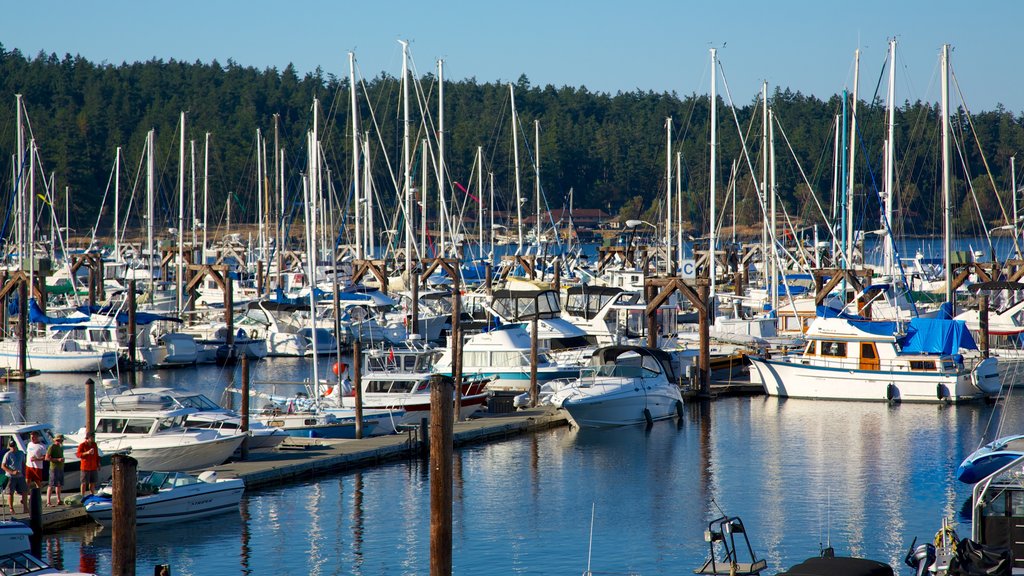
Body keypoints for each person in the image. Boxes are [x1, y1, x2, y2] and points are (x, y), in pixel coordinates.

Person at [1, 440, 28, 514]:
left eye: (14, 446)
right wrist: (12, 472)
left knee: (24, 491)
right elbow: (3, 466)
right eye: (11, 446)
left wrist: (24, 473)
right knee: (10, 492)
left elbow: (23, 463)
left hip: (20, 476)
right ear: (9, 446)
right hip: (11, 476)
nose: (13, 448)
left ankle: (25, 507)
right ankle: (11, 508)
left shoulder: (21, 453)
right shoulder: (8, 454)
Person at [45, 434, 65, 506]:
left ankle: (58, 499)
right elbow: (46, 458)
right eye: (58, 440)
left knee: (59, 484)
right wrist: (57, 459)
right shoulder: (52, 447)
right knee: (51, 484)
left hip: (60, 467)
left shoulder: (60, 447)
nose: (60, 441)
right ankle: (48, 501)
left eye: (61, 440)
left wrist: (62, 460)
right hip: (54, 468)